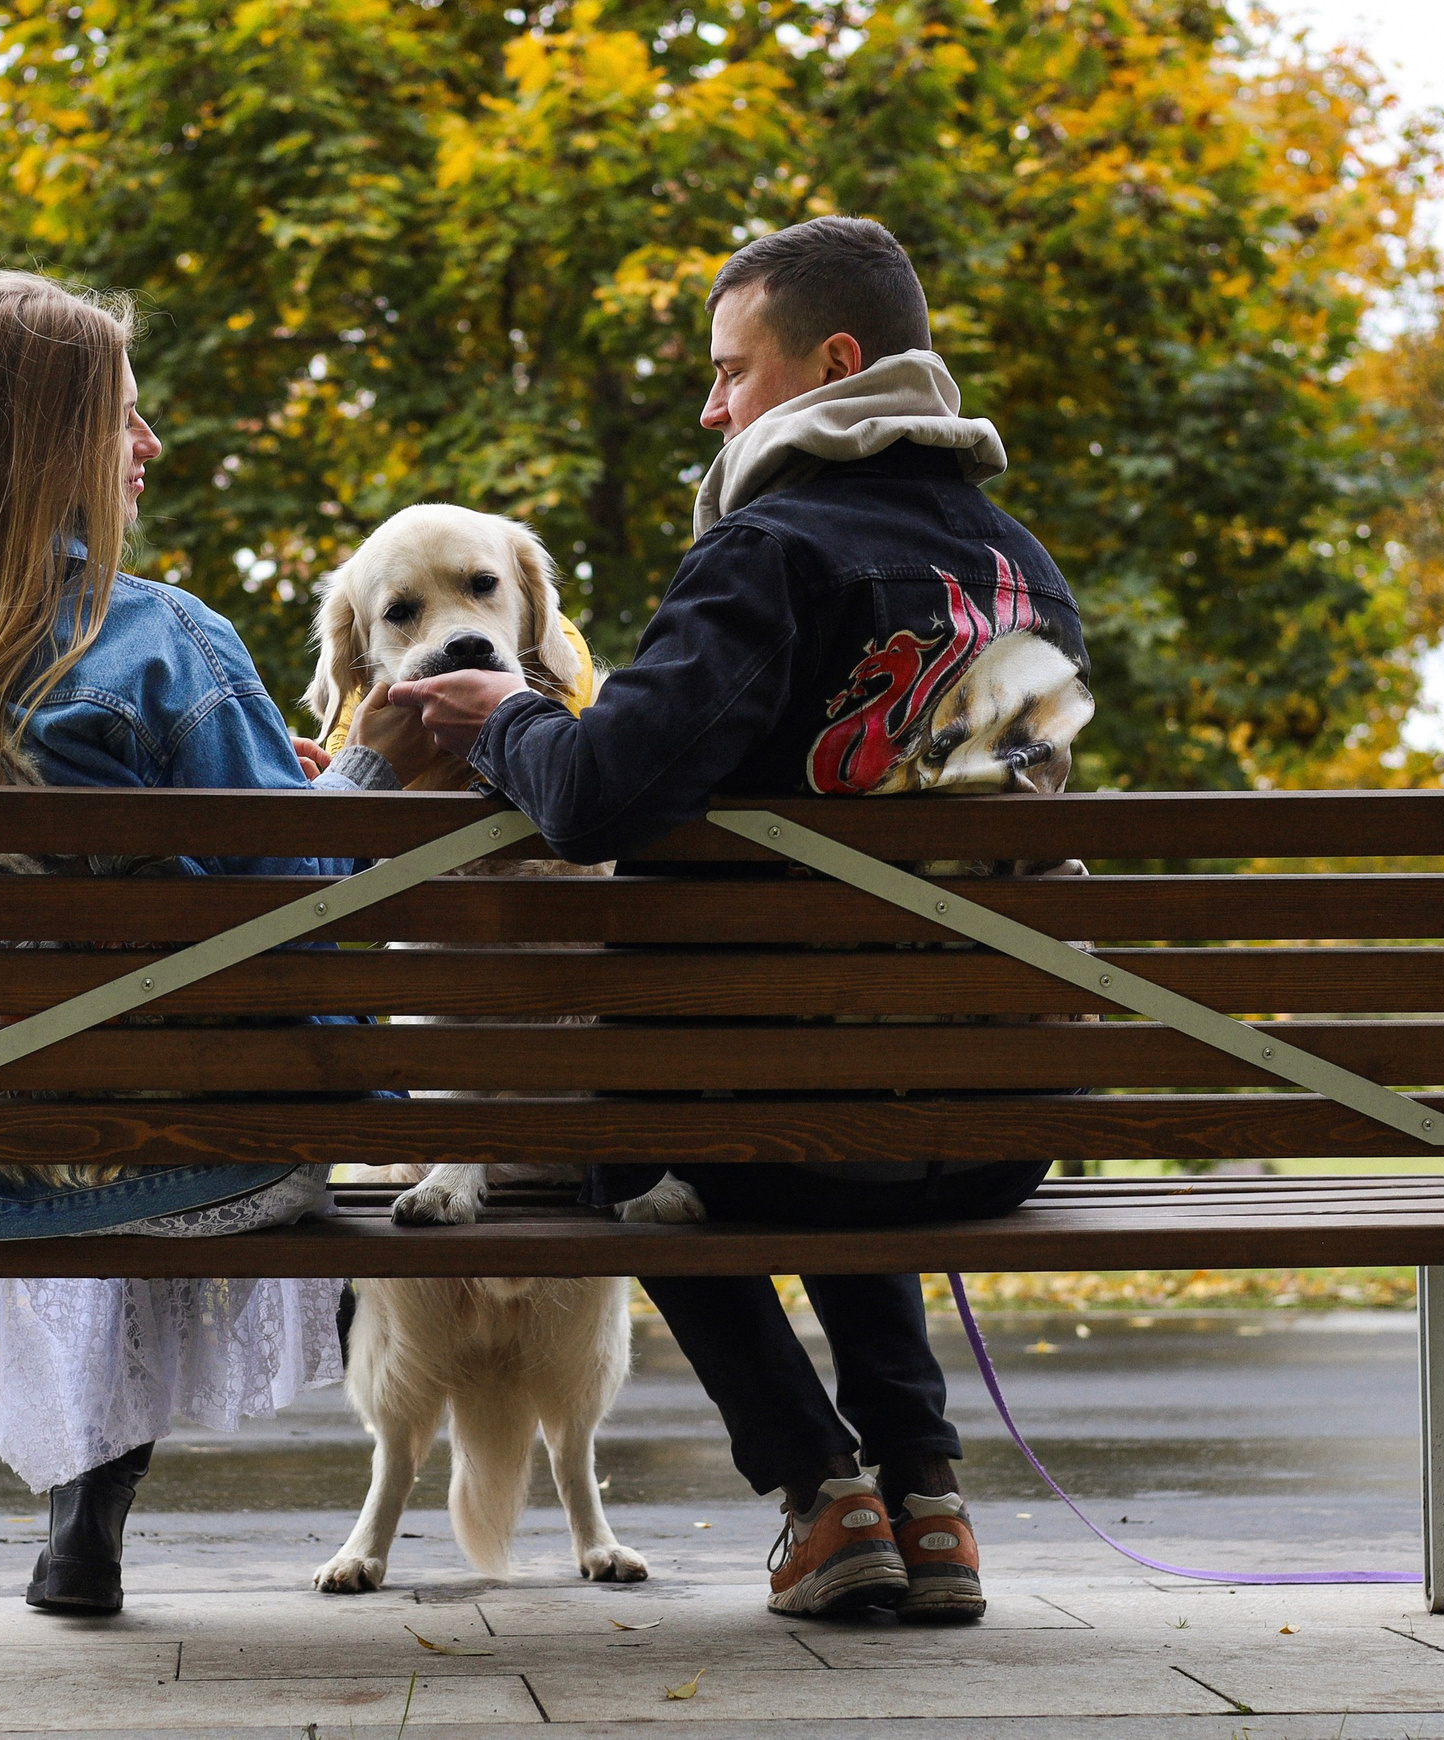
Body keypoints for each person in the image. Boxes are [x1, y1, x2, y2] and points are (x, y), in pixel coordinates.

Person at [387, 216, 1095, 1622]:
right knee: (843, 1087)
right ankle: (930, 1505)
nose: (711, 408)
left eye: (730, 373)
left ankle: (824, 1499)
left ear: (834, 364)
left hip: (787, 1135)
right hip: (995, 1130)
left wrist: (505, 716)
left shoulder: (765, 554)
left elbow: (589, 798)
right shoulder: (1026, 572)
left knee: (636, 1147)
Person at [0, 269, 437, 1616]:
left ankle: (82, 1513)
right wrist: (369, 769)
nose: (150, 446)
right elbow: (306, 894)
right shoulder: (166, 641)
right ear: (55, 446)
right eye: (124, 418)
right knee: (182, 1099)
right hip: (211, 1157)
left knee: (85, 1087)